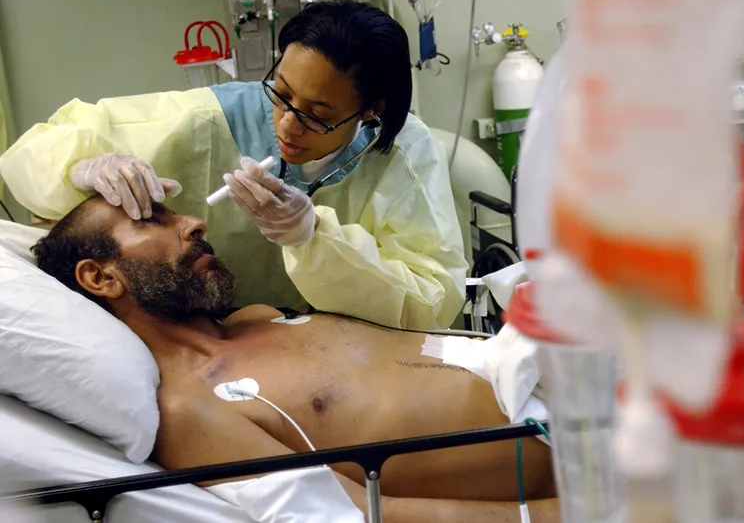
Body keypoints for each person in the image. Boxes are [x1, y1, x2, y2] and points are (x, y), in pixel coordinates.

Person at [32, 196, 555, 522]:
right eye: (152, 219)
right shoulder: (191, 412)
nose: (193, 222)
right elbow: (355, 513)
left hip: (568, 371)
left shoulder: (257, 318)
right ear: (100, 278)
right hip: (580, 460)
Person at [1, 0, 466, 330]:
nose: (285, 124)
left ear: (370, 110)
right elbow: (33, 154)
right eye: (280, 92)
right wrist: (81, 166)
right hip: (227, 340)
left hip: (330, 342)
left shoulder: (402, 154)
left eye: (316, 116)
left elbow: (432, 299)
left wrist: (316, 240)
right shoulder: (206, 119)